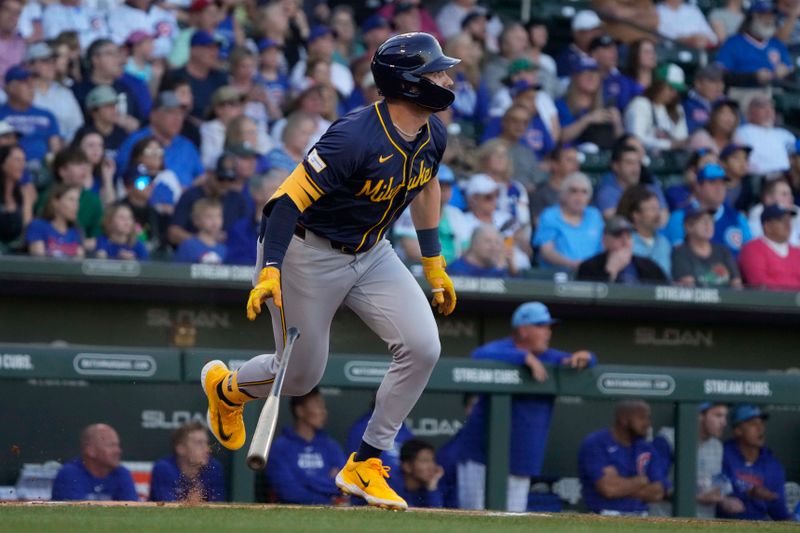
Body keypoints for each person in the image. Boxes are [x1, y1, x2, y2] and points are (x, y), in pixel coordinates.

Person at [199, 33, 459, 511]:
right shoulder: (354, 136)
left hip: (371, 252)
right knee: (299, 378)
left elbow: (426, 185)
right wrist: (271, 269)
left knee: (423, 347)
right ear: (409, 84)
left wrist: (433, 262)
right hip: (306, 253)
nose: (446, 78)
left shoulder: (433, 132)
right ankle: (227, 388)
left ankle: (366, 460)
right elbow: (284, 202)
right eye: (436, 72)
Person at [458, 302, 596, 511]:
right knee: (474, 518)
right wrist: (523, 357)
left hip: (521, 458)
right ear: (523, 330)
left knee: (512, 522)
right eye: (542, 326)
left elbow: (585, 360)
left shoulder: (550, 357)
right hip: (480, 456)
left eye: (549, 327)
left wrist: (587, 356)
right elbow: (479, 354)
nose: (548, 332)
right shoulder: (501, 350)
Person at [651, 403, 745, 518]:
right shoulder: (668, 439)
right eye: (718, 416)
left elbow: (717, 484)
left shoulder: (717, 445)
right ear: (699, 415)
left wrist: (725, 500)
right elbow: (655, 487)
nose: (724, 423)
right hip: (668, 522)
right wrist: (695, 498)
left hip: (702, 523)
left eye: (725, 417)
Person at [578, 400, 669, 515]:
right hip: (603, 515)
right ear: (623, 420)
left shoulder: (646, 448)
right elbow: (609, 489)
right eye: (641, 418)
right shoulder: (596, 443)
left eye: (648, 418)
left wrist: (621, 485)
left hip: (640, 516)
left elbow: (657, 493)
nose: (647, 423)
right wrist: (641, 481)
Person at [264, 387, 346, 505]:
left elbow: (344, 484)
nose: (324, 412)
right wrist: (327, 491)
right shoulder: (280, 448)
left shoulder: (331, 446)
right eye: (318, 406)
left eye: (324, 407)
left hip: (330, 516)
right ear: (300, 411)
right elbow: (288, 491)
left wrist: (305, 480)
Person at [116, 91, 204, 192]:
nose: (177, 118)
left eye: (180, 113)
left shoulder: (187, 146)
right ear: (154, 115)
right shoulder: (135, 142)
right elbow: (124, 178)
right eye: (171, 112)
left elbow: (201, 177)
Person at [720, 404, 791, 521]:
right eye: (753, 424)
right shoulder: (723, 456)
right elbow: (717, 497)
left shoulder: (772, 465)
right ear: (738, 430)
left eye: (761, 423)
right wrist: (749, 493)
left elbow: (779, 513)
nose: (760, 428)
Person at [664, 163, 752, 256]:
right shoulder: (680, 216)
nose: (719, 188)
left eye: (723, 183)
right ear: (698, 187)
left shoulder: (737, 217)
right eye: (712, 183)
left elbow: (751, 253)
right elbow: (680, 255)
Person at [166, 151, 249, 246]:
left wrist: (228, 237)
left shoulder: (237, 199)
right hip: (195, 255)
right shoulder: (190, 196)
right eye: (221, 178)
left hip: (229, 255)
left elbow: (246, 234)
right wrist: (203, 241)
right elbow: (173, 233)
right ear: (209, 174)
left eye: (230, 179)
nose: (226, 183)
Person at [533, 172, 604, 270]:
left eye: (584, 192)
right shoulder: (550, 215)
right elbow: (546, 251)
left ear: (589, 198)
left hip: (592, 275)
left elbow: (604, 246)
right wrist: (574, 265)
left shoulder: (594, 215)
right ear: (563, 194)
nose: (579, 197)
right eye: (573, 191)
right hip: (558, 276)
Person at [715, 1, 792, 89]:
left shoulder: (777, 43)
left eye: (772, 16)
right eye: (763, 15)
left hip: (775, 92)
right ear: (752, 18)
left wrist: (786, 71)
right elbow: (720, 74)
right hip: (743, 91)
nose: (769, 19)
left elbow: (791, 69)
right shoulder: (733, 42)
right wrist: (752, 76)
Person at [0, 65, 62, 174]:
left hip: (44, 171)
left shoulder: (47, 115)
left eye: (32, 83)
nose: (31, 87)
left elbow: (55, 148)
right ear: (10, 88)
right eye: (25, 83)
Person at [51, 423, 137, 501]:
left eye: (118, 445)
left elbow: (134, 512)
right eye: (111, 445)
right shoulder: (69, 474)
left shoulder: (121, 473)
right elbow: (75, 514)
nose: (118, 451)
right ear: (90, 450)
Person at [576, 215, 668, 283]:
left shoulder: (649, 266)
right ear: (604, 240)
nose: (625, 241)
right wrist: (611, 271)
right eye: (618, 236)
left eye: (628, 236)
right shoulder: (588, 267)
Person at [149, 421, 225, 502]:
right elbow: (165, 506)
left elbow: (219, 505)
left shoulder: (214, 468)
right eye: (199, 443)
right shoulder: (163, 469)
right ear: (180, 448)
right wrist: (190, 503)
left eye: (206, 443)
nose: (206, 449)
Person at [671, 204, 742, 288]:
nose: (708, 225)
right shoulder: (681, 253)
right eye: (703, 221)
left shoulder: (723, 251)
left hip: (726, 300)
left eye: (711, 220)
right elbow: (688, 287)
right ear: (688, 226)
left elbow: (737, 284)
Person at [624, 63, 689, 155]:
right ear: (658, 85)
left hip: (670, 159)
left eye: (677, 90)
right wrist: (668, 144)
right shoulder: (640, 104)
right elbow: (636, 139)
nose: (674, 93)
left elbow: (682, 139)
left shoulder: (677, 109)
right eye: (670, 88)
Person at [26, 42, 84, 143]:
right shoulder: (22, 94)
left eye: (53, 61)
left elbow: (78, 127)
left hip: (65, 151)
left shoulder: (65, 93)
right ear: (30, 65)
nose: (52, 65)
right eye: (46, 61)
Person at [226, 170, 285, 266]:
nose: (282, 195)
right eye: (275, 190)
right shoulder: (239, 230)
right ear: (257, 194)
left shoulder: (290, 228)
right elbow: (237, 264)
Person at [169, 31, 227, 122]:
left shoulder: (221, 77)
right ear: (194, 50)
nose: (215, 53)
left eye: (217, 48)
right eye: (209, 48)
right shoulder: (174, 77)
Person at [739, 204, 800, 290]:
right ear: (767, 226)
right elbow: (759, 283)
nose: (788, 225)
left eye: (789, 220)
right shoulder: (752, 249)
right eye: (782, 220)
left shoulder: (797, 252)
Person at [617, 185, 672, 277]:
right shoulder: (623, 243)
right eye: (652, 209)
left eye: (658, 209)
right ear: (636, 215)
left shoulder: (664, 243)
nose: (657, 214)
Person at [734, 95, 795, 177]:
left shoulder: (785, 134)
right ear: (749, 113)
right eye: (762, 107)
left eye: (771, 108)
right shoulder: (743, 132)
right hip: (758, 179)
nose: (768, 111)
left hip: (787, 178)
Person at [26, 183, 84, 258]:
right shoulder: (38, 226)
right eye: (71, 200)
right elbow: (39, 262)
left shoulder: (76, 231)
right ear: (55, 202)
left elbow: (79, 264)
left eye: (77, 201)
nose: (76, 205)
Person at [530, 146, 580, 226]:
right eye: (569, 160)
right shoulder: (540, 193)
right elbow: (539, 224)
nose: (576, 165)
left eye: (576, 161)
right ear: (555, 165)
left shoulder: (581, 192)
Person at [392, 440, 444, 508]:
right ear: (407, 466)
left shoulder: (428, 489)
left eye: (432, 460)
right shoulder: (393, 488)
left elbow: (437, 515)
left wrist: (432, 487)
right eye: (425, 461)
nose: (432, 466)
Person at [173, 198, 227, 264]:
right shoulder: (188, 246)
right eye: (209, 216)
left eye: (218, 216)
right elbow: (177, 270)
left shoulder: (223, 249)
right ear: (196, 220)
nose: (215, 220)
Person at [447, 224, 512, 278]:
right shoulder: (455, 269)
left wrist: (511, 267)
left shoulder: (498, 270)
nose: (494, 246)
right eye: (488, 241)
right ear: (474, 243)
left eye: (497, 242)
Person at [748, 178, 800, 245]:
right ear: (768, 198)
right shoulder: (759, 212)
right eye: (784, 194)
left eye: (791, 194)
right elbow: (759, 241)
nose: (791, 197)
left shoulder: (796, 211)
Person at [683, 65, 726, 136]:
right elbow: (690, 131)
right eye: (713, 81)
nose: (719, 86)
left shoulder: (727, 104)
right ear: (698, 84)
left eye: (721, 81)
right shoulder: (687, 104)